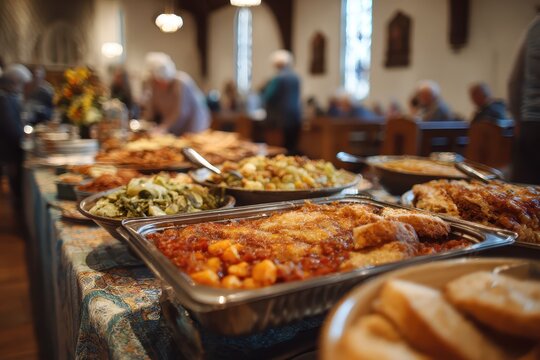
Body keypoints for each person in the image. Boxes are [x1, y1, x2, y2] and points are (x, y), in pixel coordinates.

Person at [142, 52, 210, 135]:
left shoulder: (182, 82)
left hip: (193, 125)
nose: (156, 83)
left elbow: (180, 112)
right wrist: (144, 123)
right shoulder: (153, 84)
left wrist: (163, 128)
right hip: (174, 127)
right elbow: (151, 108)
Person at [508, 15, 540, 184]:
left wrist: (518, 119)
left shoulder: (534, 27)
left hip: (532, 124)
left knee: (523, 196)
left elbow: (514, 81)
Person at [0, 64, 32, 210]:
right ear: (13, 81)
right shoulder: (4, 98)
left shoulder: (9, 96)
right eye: (21, 83)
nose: (22, 87)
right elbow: (9, 126)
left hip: (13, 144)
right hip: (9, 147)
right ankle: (18, 208)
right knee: (14, 176)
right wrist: (23, 138)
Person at [261, 50, 302, 154]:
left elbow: (268, 97)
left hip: (279, 120)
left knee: (278, 150)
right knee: (291, 147)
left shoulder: (278, 78)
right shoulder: (296, 77)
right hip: (295, 117)